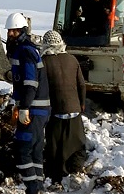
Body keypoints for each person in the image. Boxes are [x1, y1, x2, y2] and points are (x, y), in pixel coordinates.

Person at [5, 12, 50, 194]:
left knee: (24, 150)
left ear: (22, 31)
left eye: (14, 32)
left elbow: (30, 83)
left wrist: (24, 108)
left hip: (33, 110)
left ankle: (33, 189)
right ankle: (37, 188)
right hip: (39, 110)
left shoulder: (26, 52)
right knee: (36, 152)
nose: (10, 35)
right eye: (9, 31)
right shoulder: (27, 49)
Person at [40, 30, 87, 187]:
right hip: (74, 110)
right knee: (77, 143)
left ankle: (57, 177)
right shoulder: (72, 59)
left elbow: (40, 88)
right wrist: (81, 104)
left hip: (56, 112)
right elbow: (81, 84)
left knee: (55, 147)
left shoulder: (43, 62)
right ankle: (75, 171)